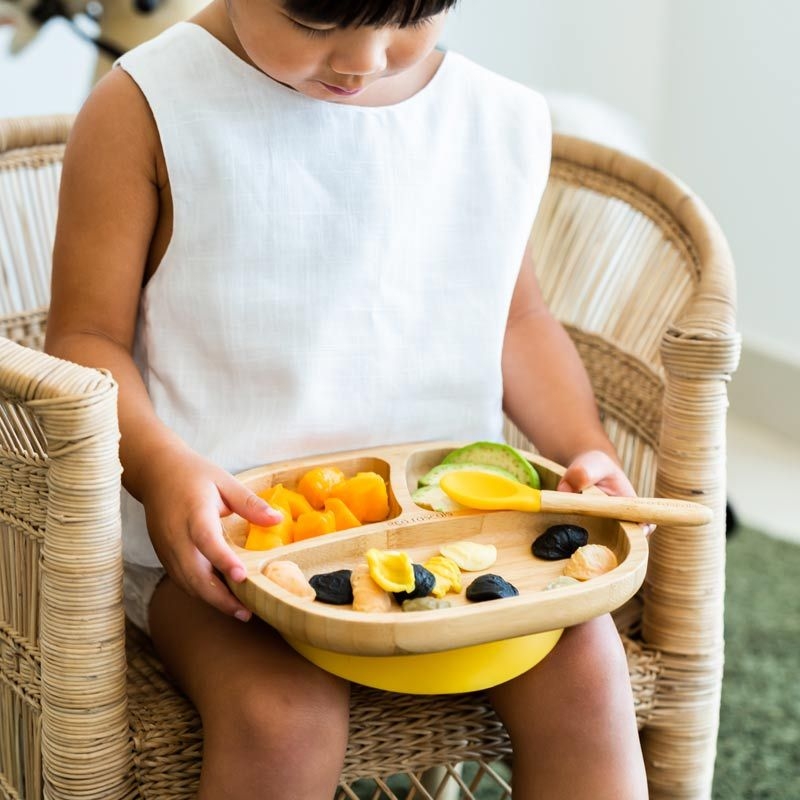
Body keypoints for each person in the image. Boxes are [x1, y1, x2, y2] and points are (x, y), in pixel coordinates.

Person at [45, 0, 649, 797]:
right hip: (234, 553)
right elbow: (87, 339)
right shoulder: (146, 108)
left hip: (454, 536)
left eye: (411, 16)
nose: (362, 61)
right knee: (283, 720)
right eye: (316, 22)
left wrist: (584, 448)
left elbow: (517, 320)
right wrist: (160, 470)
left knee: (588, 675)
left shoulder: (490, 119)